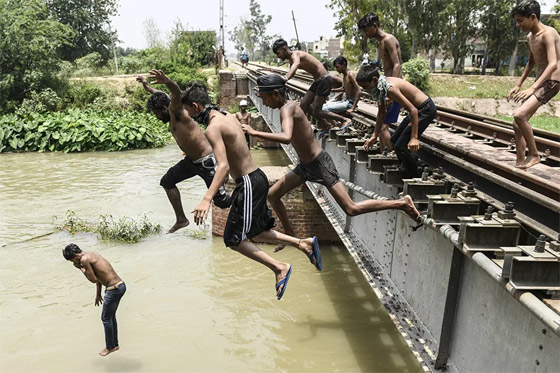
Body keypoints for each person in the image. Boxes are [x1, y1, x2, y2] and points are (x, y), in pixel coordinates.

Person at [242, 74, 420, 251]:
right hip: (305, 166)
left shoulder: (287, 109)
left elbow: (286, 137)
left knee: (350, 208)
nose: (264, 103)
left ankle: (401, 203)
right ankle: (291, 233)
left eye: (265, 98)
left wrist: (254, 132)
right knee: (273, 195)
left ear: (275, 94)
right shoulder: (288, 106)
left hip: (320, 164)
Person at [182, 82, 323, 300]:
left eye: (190, 112)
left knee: (233, 238)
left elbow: (223, 166)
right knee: (255, 231)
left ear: (196, 106)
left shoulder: (212, 128)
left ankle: (280, 268)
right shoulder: (226, 115)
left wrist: (206, 199)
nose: (190, 118)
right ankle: (302, 243)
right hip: (255, 179)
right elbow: (233, 150)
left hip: (248, 182)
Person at [137, 72, 231, 233]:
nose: (157, 117)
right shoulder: (167, 106)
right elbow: (159, 94)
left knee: (222, 202)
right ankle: (181, 219)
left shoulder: (177, 111)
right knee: (167, 181)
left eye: (157, 113)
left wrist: (167, 81)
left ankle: (247, 196)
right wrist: (145, 85)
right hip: (191, 161)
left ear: (166, 108)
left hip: (207, 161)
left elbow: (175, 92)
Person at [356, 63, 437, 178]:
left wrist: (414, 138)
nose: (366, 91)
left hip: (425, 110)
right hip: (417, 111)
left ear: (374, 80)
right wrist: (374, 135)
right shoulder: (381, 87)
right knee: (394, 141)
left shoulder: (389, 88)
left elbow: (413, 111)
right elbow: (381, 112)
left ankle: (415, 177)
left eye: (366, 87)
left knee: (401, 146)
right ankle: (409, 165)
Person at [507, 0, 559, 169]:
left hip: (552, 81)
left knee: (520, 116)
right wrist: (519, 85)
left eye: (521, 20)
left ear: (533, 17)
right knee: (517, 123)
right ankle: (520, 160)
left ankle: (535, 155)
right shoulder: (530, 37)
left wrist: (533, 88)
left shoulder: (548, 33)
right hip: (541, 81)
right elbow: (531, 63)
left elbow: (553, 64)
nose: (518, 24)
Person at [272, 38, 350, 131]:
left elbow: (295, 65)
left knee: (317, 111)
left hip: (324, 79)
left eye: (278, 53)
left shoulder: (295, 55)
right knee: (304, 105)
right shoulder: (291, 60)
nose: (278, 56)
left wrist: (285, 78)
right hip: (318, 81)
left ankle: (345, 120)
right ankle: (326, 124)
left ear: (284, 49)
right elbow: (292, 72)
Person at [63, 243, 125, 357]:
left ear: (75, 256)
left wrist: (80, 268)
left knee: (105, 318)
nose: (73, 263)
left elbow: (92, 279)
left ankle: (110, 346)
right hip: (119, 286)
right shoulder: (92, 254)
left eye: (72, 260)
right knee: (110, 316)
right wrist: (98, 294)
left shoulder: (84, 260)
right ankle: (114, 345)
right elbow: (98, 277)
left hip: (113, 289)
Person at [358, 12, 404, 152]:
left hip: (393, 86)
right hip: (387, 86)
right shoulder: (381, 43)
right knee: (381, 119)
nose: (365, 33)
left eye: (366, 30)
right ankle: (385, 151)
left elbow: (397, 65)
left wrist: (390, 92)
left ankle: (392, 155)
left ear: (375, 26)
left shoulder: (389, 39)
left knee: (383, 125)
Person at [322, 56, 362, 135]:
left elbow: (359, 90)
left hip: (350, 103)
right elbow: (343, 89)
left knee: (323, 109)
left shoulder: (350, 75)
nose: (337, 69)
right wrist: (330, 90)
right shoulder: (344, 76)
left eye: (338, 67)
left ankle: (340, 123)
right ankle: (336, 125)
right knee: (321, 106)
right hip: (345, 101)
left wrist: (353, 107)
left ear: (343, 64)